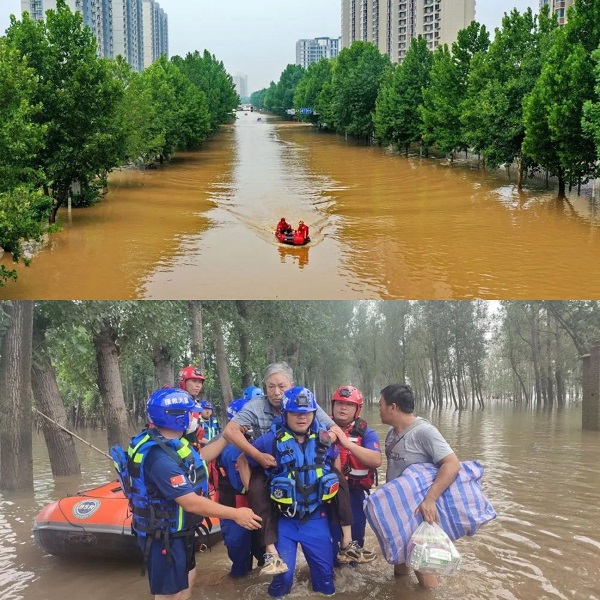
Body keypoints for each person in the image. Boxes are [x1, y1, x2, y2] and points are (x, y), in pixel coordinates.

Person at [113, 387, 261, 600]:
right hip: (164, 536)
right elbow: (190, 503)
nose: (196, 418)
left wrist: (229, 434)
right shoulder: (159, 458)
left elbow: (201, 458)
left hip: (180, 532)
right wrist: (237, 514)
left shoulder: (172, 443)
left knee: (189, 579)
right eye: (192, 413)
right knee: (171, 594)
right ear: (177, 418)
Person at [224, 362, 366, 575]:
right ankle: (270, 552)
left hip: (305, 459)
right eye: (271, 387)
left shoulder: (307, 402)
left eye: (281, 386)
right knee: (257, 489)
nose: (276, 392)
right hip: (269, 462)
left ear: (292, 385)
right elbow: (230, 432)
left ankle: (347, 542)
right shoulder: (255, 406)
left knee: (338, 479)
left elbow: (334, 430)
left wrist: (323, 441)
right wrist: (258, 456)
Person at [247, 387, 338, 598]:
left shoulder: (324, 439)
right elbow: (245, 460)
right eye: (296, 412)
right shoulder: (269, 441)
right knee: (283, 579)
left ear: (314, 414)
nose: (302, 417)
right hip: (285, 520)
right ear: (285, 413)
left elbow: (335, 460)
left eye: (307, 412)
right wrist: (255, 491)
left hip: (316, 516)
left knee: (326, 581)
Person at [379, 384, 460, 589]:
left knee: (422, 565)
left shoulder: (425, 432)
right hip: (399, 510)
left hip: (419, 510)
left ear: (393, 407)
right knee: (400, 562)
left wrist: (430, 499)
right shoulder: (391, 433)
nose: (378, 408)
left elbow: (452, 464)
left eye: (381, 404)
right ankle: (402, 592)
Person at [212, 396, 264, 578]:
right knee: (242, 564)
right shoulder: (232, 450)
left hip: (254, 509)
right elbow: (241, 485)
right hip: (236, 509)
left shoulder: (253, 442)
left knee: (265, 557)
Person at [328, 385, 380, 560]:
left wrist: (348, 444)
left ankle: (352, 575)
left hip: (354, 494)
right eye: (340, 403)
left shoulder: (366, 433)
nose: (343, 408)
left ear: (357, 409)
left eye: (349, 405)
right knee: (329, 540)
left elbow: (376, 460)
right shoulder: (318, 427)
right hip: (325, 495)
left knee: (355, 539)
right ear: (332, 406)